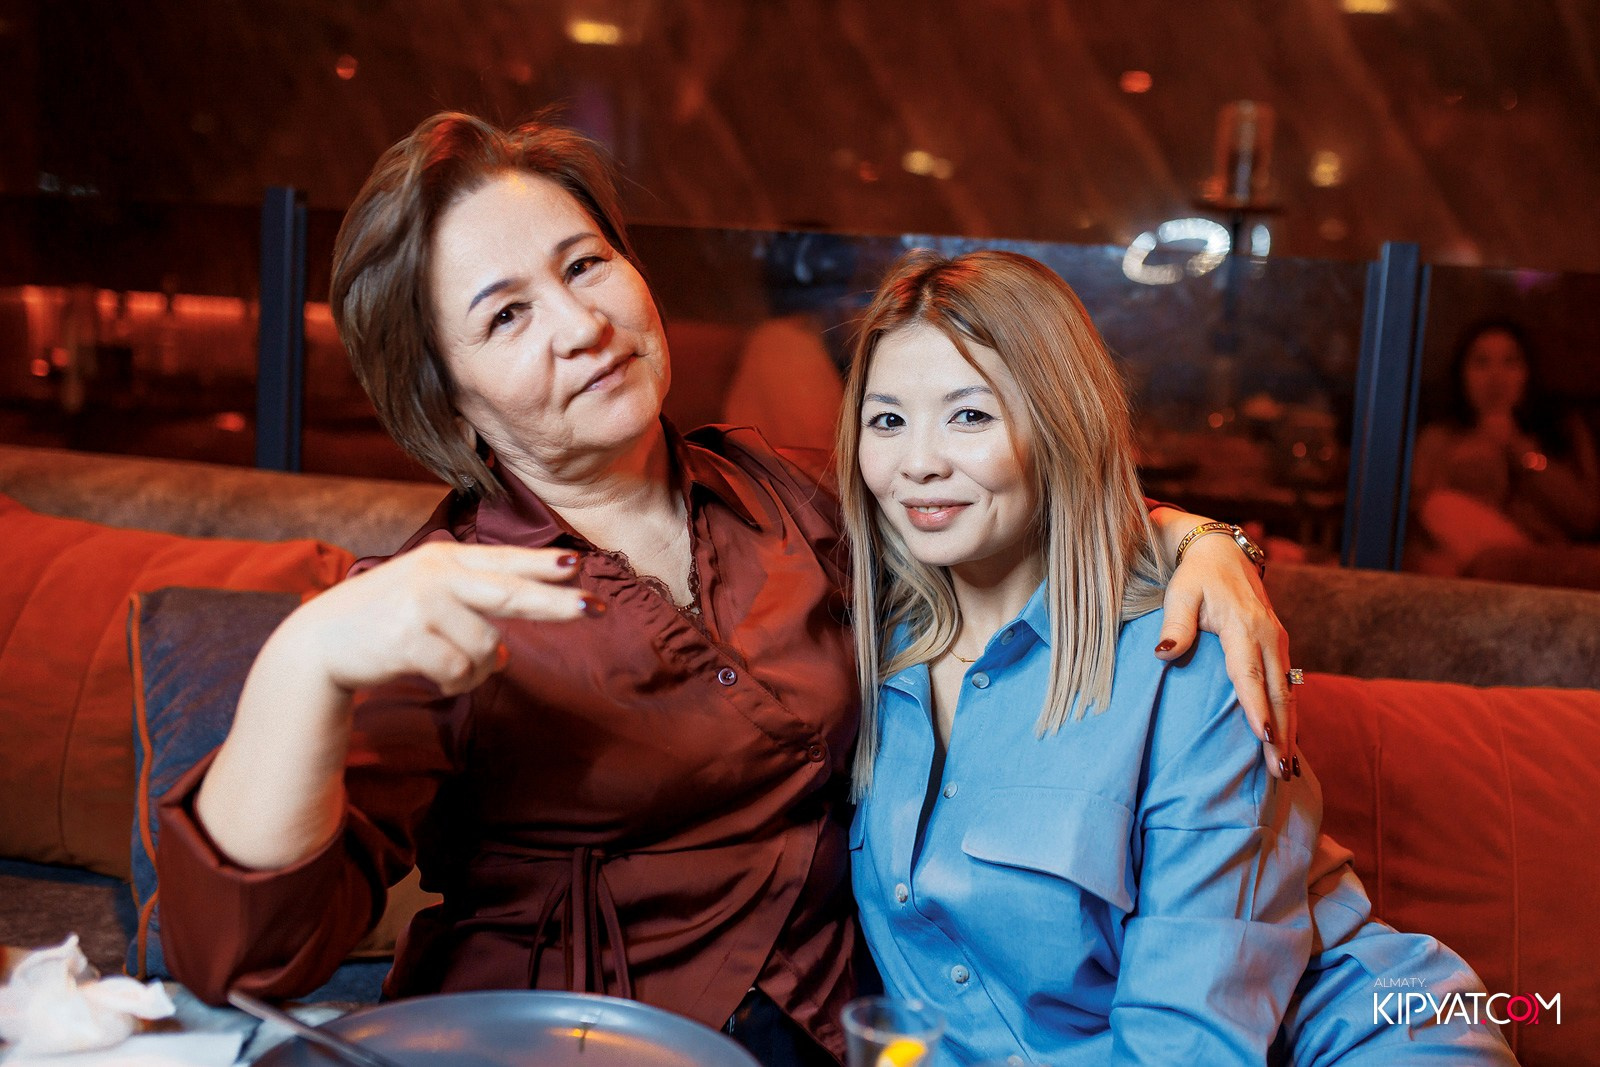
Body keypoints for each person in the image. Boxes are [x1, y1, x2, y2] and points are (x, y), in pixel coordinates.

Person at [154, 113, 1292, 1066]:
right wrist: (305, 659)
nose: (583, 326)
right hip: (558, 1042)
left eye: (584, 264)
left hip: (829, 1031)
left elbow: (999, 498)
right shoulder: (448, 594)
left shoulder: (787, 496)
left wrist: (1201, 541)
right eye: (506, 315)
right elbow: (239, 962)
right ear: (448, 399)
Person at [841, 250, 1514, 1065]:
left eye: (970, 416)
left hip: (1345, 1042)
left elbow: (1187, 1040)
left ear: (1058, 425)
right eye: (887, 421)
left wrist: (1203, 539)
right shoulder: (855, 648)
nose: (918, 462)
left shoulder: (1187, 661)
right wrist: (1199, 532)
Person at [1409, 319, 1600, 576]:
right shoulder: (1439, 438)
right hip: (1462, 566)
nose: (1496, 378)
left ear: (1527, 373)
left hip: (1542, 565)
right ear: (1461, 375)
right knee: (1440, 509)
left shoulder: (1559, 429)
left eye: (1510, 363)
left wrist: (1524, 455)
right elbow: (1419, 519)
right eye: (1481, 363)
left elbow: (1586, 516)